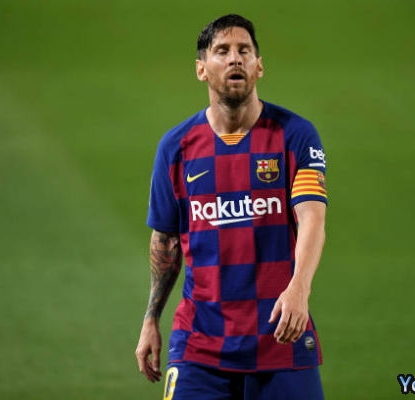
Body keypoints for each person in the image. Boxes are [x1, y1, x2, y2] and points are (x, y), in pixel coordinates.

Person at [135, 14, 328, 400]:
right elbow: (166, 241)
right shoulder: (176, 148)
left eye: (244, 51)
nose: (235, 58)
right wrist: (151, 318)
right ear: (201, 69)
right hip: (199, 346)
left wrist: (299, 289)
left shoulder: (295, 135)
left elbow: (312, 218)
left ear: (259, 66)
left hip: (280, 338)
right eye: (222, 51)